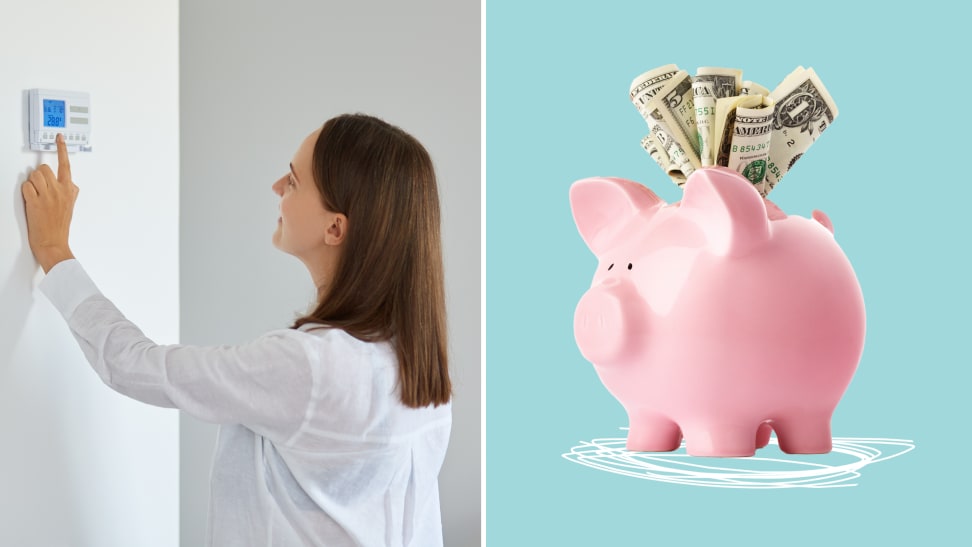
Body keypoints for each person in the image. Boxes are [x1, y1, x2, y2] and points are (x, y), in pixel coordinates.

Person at [21, 114, 453, 546]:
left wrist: (56, 252)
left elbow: (133, 365)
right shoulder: (418, 364)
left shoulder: (312, 367)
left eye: (294, 180)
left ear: (335, 227)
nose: (277, 188)